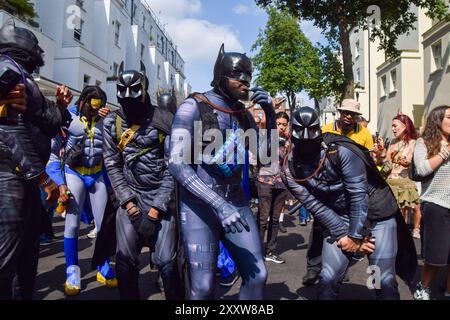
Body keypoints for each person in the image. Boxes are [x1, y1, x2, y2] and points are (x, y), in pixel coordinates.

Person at [168, 44, 274, 299]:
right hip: (198, 206)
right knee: (203, 286)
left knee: (258, 274)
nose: (246, 83)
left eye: (249, 77)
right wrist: (219, 204)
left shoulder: (241, 113)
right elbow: (176, 163)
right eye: (240, 76)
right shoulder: (192, 106)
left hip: (236, 201)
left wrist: (269, 115)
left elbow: (264, 156)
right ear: (222, 76)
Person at [282, 107, 416, 300]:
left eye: (310, 131)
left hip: (377, 214)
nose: (305, 137)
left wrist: (354, 236)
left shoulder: (340, 151)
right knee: (328, 279)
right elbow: (314, 205)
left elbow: (358, 195)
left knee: (382, 279)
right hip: (340, 217)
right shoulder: (288, 168)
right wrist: (345, 236)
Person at [0, 20, 71, 299]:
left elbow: (49, 124)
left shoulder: (22, 76)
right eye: (36, 46)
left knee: (26, 257)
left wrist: (62, 108)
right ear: (23, 46)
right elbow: (9, 130)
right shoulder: (7, 69)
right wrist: (43, 178)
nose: (41, 51)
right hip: (10, 178)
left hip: (24, 180)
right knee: (5, 262)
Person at [103, 63, 180, 300]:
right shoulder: (111, 122)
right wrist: (129, 205)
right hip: (131, 197)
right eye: (122, 91)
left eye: (134, 90)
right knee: (125, 265)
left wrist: (156, 209)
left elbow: (173, 167)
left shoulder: (165, 120)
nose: (128, 98)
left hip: (161, 199)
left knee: (167, 264)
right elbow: (112, 164)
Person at [46, 86, 117, 296]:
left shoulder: (106, 121)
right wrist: (59, 183)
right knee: (72, 224)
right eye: (92, 105)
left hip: (97, 175)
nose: (95, 110)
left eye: (99, 106)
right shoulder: (68, 119)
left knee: (105, 223)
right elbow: (51, 154)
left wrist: (113, 118)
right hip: (74, 174)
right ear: (83, 102)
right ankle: (72, 270)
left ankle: (103, 265)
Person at [302, 99, 375, 286]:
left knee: (348, 231)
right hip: (327, 190)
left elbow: (368, 162)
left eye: (353, 114)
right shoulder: (326, 129)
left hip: (350, 191)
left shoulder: (364, 134)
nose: (349, 116)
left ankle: (340, 268)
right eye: (345, 112)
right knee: (319, 229)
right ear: (339, 112)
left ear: (357, 116)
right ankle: (313, 268)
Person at [412, 106, 450, 300]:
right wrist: (445, 152)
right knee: (436, 255)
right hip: (436, 204)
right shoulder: (424, 142)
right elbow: (422, 169)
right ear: (438, 120)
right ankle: (423, 287)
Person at [377, 114, 420, 237]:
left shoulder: (414, 143)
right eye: (392, 126)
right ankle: (398, 232)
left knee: (414, 206)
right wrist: (382, 154)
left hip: (406, 181)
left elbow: (414, 162)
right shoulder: (392, 142)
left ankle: (414, 230)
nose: (392, 129)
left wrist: (407, 162)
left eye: (395, 126)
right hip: (391, 180)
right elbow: (387, 164)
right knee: (395, 210)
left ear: (405, 126)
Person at [257, 112, 290, 264]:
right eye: (279, 123)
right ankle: (256, 251)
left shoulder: (290, 140)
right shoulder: (267, 136)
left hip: (282, 183)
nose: (281, 127)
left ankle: (270, 251)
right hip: (265, 181)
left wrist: (290, 151)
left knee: (275, 219)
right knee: (263, 219)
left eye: (284, 124)